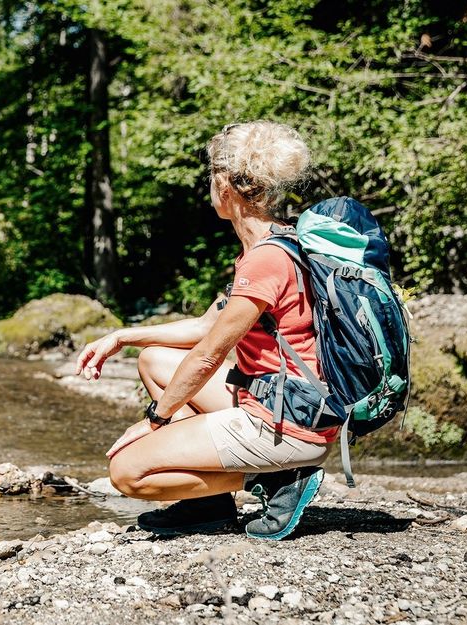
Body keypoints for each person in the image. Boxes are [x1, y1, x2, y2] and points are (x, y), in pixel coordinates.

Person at [75, 121, 338, 540]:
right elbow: (205, 326)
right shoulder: (275, 242)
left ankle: (276, 480)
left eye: (211, 179)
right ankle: (208, 503)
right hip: (290, 401)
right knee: (155, 359)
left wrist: (154, 422)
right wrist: (122, 337)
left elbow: (208, 354)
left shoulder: (265, 261)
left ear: (226, 185)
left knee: (127, 471)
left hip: (291, 421)